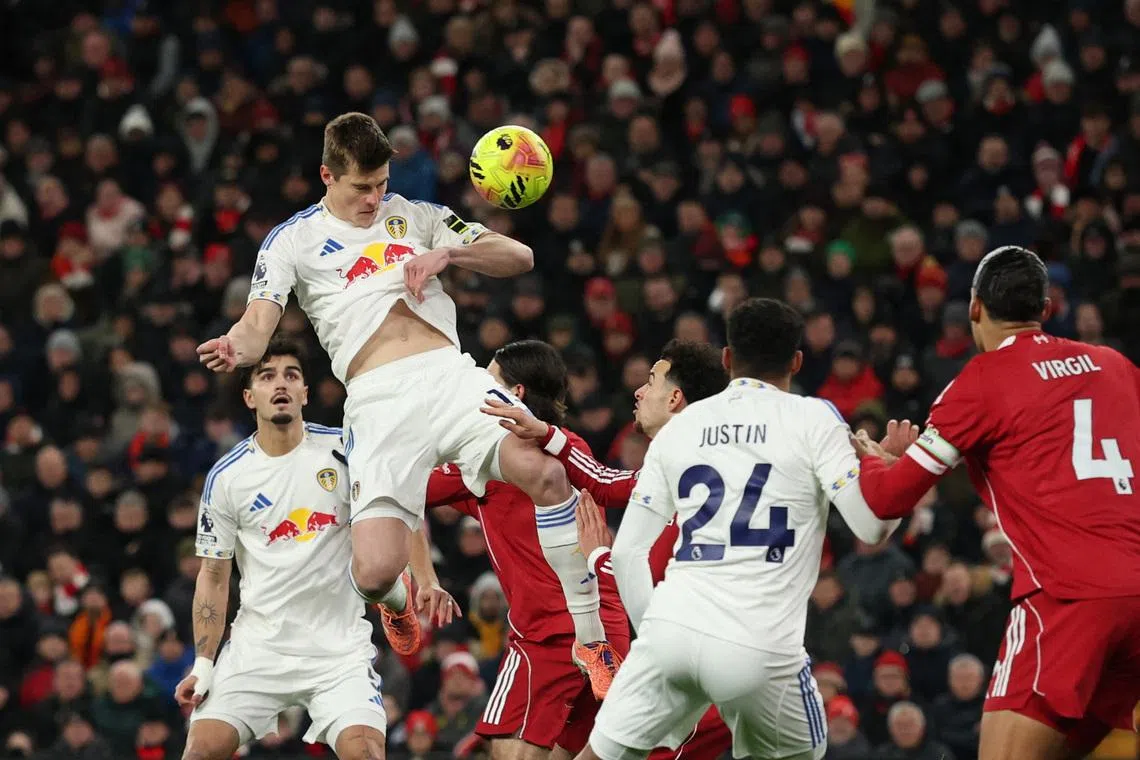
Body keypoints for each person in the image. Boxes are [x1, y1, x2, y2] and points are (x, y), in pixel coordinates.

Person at [195, 112, 618, 693]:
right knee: (371, 572)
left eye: (382, 183)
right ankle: (394, 600)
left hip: (450, 377)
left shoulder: (417, 217)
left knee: (545, 473)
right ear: (327, 175)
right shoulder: (292, 240)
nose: (374, 198)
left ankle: (591, 639)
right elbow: (254, 328)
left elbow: (518, 258)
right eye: (361, 187)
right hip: (375, 403)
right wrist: (232, 347)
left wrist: (448, 255)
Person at [569, 298, 901, 760]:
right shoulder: (814, 419)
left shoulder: (681, 429)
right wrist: (887, 468)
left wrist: (654, 634)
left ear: (727, 358)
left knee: (599, 755)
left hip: (670, 632)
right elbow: (872, 527)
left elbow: (627, 555)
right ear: (797, 360)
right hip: (758, 646)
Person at [853, 245, 1140, 760]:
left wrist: (879, 461)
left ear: (974, 309)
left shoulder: (982, 382)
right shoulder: (1116, 366)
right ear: (1047, 308)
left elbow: (885, 500)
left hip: (1066, 601)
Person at [175, 336, 459, 760]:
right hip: (258, 648)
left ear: (306, 393)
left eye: (291, 375)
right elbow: (213, 576)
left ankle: (393, 596)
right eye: (267, 376)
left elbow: (400, 508)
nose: (281, 384)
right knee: (199, 752)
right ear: (250, 397)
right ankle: (390, 595)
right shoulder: (228, 477)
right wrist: (203, 665)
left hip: (338, 650)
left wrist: (426, 578)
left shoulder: (345, 449)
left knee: (365, 751)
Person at [484, 338, 734, 760]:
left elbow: (654, 574)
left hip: (696, 669)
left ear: (675, 397)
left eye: (651, 381)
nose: (638, 390)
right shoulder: (689, 460)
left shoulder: (691, 468)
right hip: (695, 658)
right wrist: (546, 433)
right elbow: (603, 480)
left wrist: (601, 556)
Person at [424, 339, 629, 760]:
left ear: (514, 394)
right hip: (609, 623)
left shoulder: (490, 462)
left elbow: (401, 489)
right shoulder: (571, 447)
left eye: (488, 378)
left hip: (545, 633)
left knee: (510, 752)